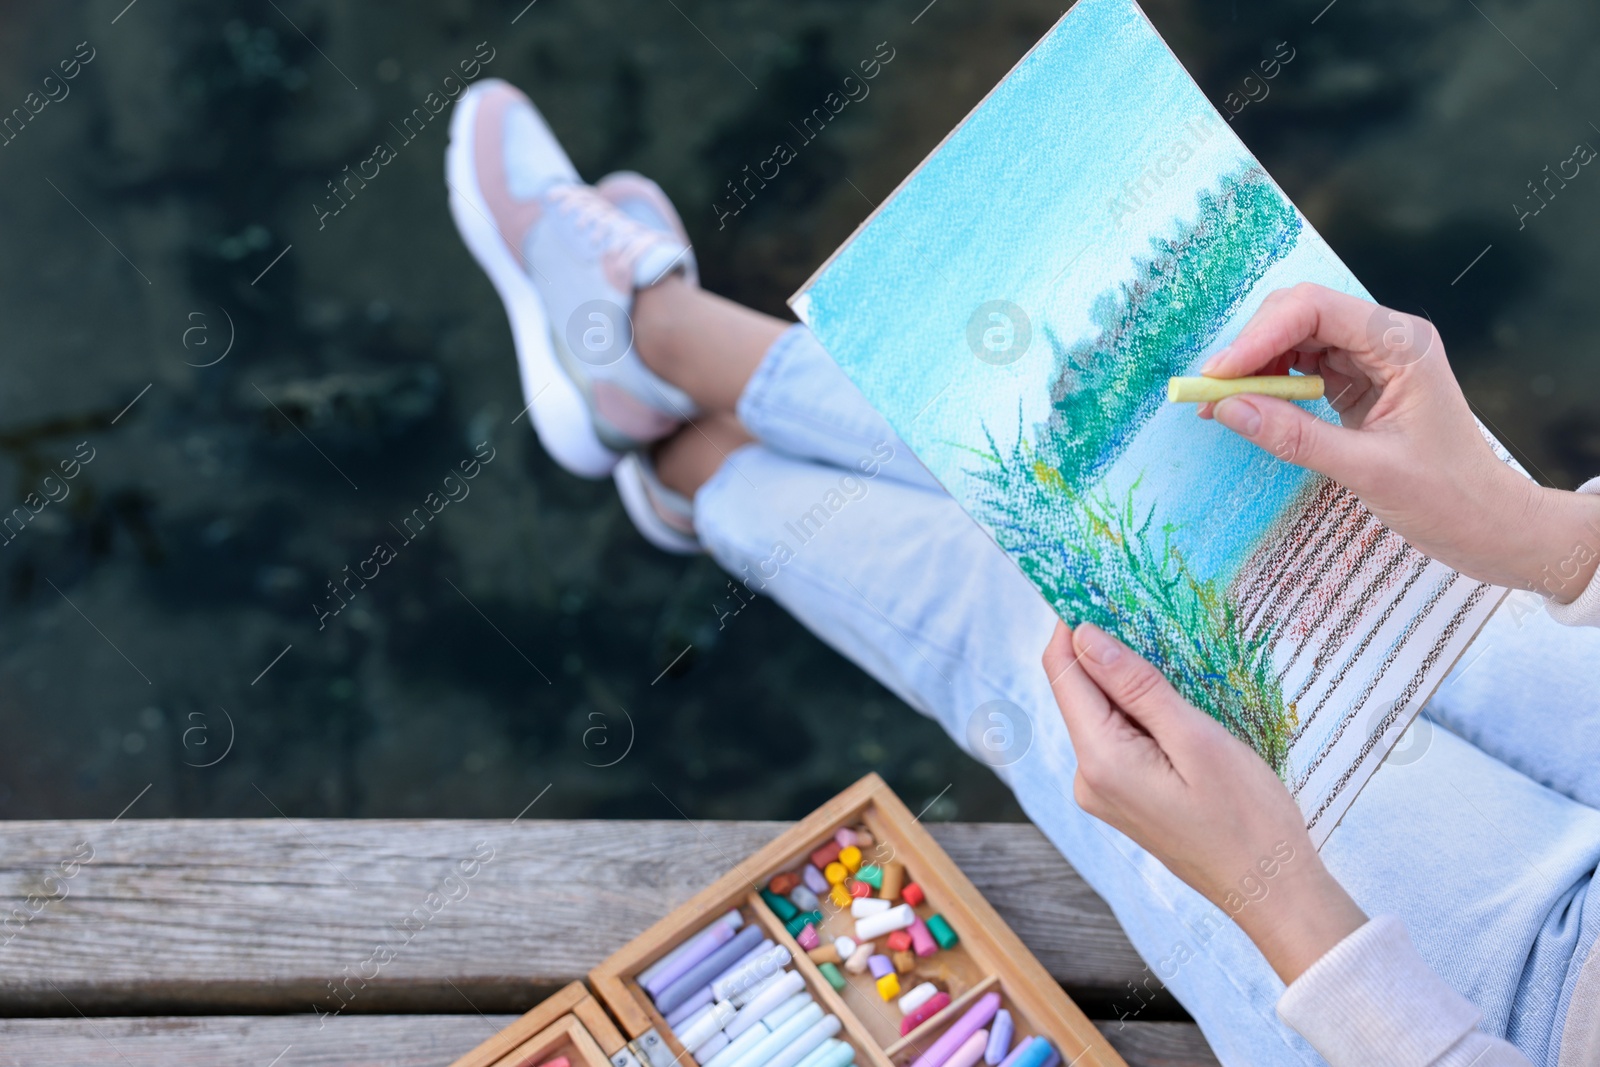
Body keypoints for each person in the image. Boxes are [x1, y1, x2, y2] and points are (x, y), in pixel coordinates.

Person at [445, 79, 1600, 1067]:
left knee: (1038, 630)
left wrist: (1263, 890)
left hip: (1496, 1004)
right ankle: (666, 369)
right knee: (1147, 482)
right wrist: (1547, 538)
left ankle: (688, 436)